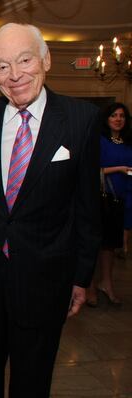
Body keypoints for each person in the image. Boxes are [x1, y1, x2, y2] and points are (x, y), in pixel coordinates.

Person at [0, 23, 101, 398]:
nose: (15, 75)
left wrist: (81, 277)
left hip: (47, 279)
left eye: (25, 60)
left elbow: (87, 206)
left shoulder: (80, 119)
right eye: (2, 65)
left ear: (45, 60)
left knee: (32, 383)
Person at [87, 102, 131, 306]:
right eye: (114, 115)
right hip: (99, 198)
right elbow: (90, 171)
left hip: (121, 198)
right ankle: (89, 286)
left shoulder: (128, 142)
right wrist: (119, 168)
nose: (118, 119)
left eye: (121, 115)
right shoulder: (100, 141)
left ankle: (107, 283)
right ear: (106, 119)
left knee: (110, 247)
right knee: (93, 245)